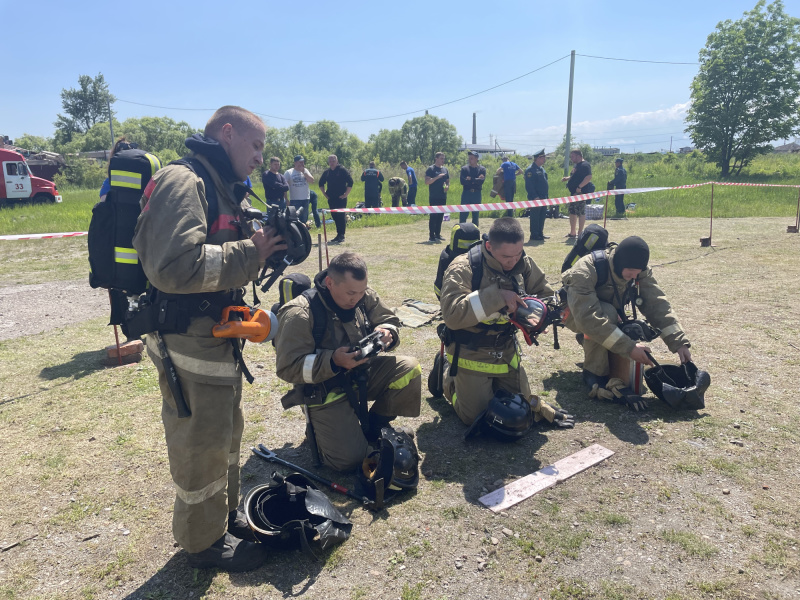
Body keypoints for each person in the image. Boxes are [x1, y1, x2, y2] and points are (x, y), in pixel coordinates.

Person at [132, 106, 286, 572]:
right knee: (200, 440)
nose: (261, 157)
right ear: (226, 133)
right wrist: (249, 252)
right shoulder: (185, 181)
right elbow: (171, 266)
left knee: (225, 433)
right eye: (256, 146)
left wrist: (264, 249)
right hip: (187, 339)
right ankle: (201, 544)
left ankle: (223, 518)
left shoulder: (220, 185)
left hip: (215, 335)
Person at [275, 252, 422, 471]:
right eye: (351, 293)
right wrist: (333, 361)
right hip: (325, 390)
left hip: (362, 375)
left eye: (361, 292)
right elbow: (288, 367)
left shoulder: (362, 294)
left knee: (409, 369)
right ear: (330, 282)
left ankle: (375, 427)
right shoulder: (299, 313)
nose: (357, 298)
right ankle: (322, 428)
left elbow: (388, 319)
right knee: (350, 461)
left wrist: (386, 331)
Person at [438, 218, 574, 429]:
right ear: (489, 246)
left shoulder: (523, 263)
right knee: (476, 417)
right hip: (470, 351)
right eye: (506, 257)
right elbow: (452, 315)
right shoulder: (463, 268)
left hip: (506, 350)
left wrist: (541, 313)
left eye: (518, 254)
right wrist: (498, 297)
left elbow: (544, 293)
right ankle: (447, 377)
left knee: (519, 409)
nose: (513, 261)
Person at [561, 236, 692, 399]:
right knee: (606, 314)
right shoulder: (585, 270)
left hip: (606, 313)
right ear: (619, 264)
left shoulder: (638, 270)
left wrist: (679, 342)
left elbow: (656, 304)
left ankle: (597, 346)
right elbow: (589, 319)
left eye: (637, 274)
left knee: (620, 320)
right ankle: (594, 373)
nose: (634, 278)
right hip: (575, 314)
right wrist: (629, 348)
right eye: (630, 273)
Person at [319, 154, 354, 244]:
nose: (332, 163)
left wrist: (346, 194)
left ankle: (341, 235)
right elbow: (320, 183)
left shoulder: (342, 170)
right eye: (330, 161)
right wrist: (325, 194)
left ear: (337, 161)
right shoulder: (327, 172)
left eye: (333, 161)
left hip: (341, 198)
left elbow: (350, 182)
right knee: (334, 216)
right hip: (331, 198)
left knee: (341, 216)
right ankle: (338, 234)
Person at [561, 149, 595, 239]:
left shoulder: (585, 165)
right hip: (573, 193)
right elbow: (575, 176)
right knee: (572, 211)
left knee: (580, 212)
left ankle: (580, 233)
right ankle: (572, 233)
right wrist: (567, 178)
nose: (571, 158)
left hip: (581, 193)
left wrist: (579, 187)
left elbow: (588, 177)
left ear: (578, 156)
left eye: (572, 156)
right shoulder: (577, 165)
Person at [524, 149, 549, 242]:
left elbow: (545, 184)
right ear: (538, 158)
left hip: (544, 197)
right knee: (535, 216)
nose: (544, 159)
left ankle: (540, 233)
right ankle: (534, 234)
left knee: (542, 216)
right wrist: (535, 196)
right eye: (543, 158)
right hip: (536, 198)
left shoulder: (542, 169)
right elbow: (529, 185)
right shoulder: (530, 170)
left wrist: (547, 197)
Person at [425, 152, 450, 242]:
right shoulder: (431, 169)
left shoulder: (445, 170)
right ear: (436, 158)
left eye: (444, 158)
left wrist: (447, 186)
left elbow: (447, 181)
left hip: (442, 196)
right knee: (433, 216)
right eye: (441, 158)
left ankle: (438, 234)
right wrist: (437, 177)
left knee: (440, 216)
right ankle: (431, 236)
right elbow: (427, 182)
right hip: (434, 196)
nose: (443, 160)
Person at [284, 154, 314, 224]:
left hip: (305, 199)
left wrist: (303, 171)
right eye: (300, 162)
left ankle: (304, 233)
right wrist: (286, 199)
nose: (302, 163)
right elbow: (284, 187)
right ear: (295, 163)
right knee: (295, 219)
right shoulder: (289, 172)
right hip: (294, 200)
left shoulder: (305, 170)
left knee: (304, 219)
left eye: (302, 162)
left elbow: (312, 181)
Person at [459, 150, 486, 226]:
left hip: (477, 194)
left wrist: (471, 179)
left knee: (475, 214)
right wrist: (476, 180)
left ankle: (475, 233)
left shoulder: (482, 169)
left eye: (472, 158)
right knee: (463, 214)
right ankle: (461, 231)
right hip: (466, 193)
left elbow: (481, 182)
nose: (470, 159)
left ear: (476, 158)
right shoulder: (464, 169)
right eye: (469, 158)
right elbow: (462, 181)